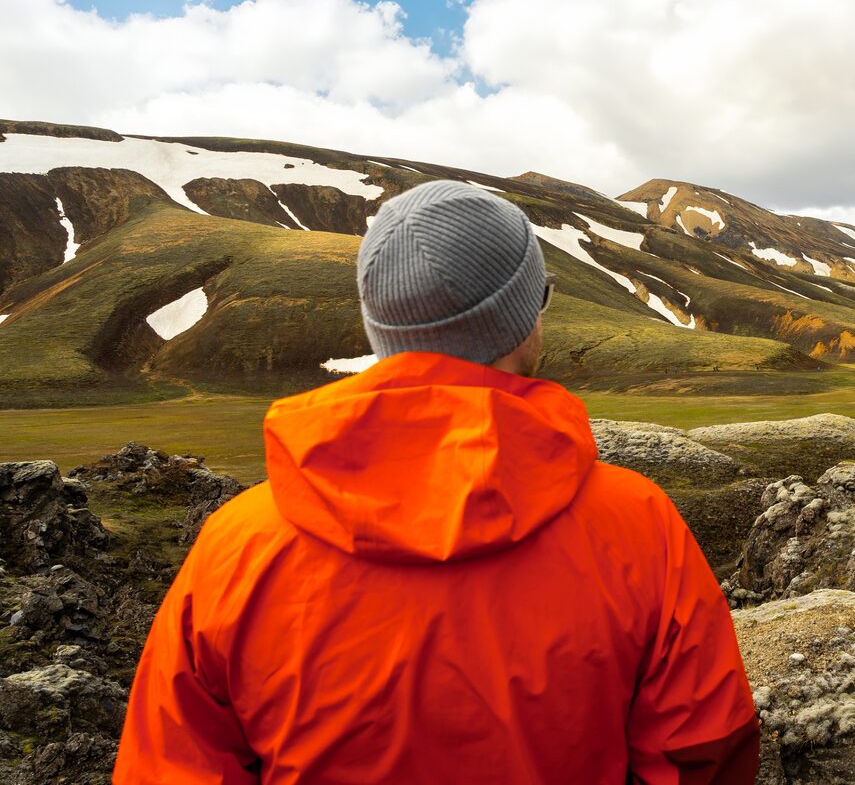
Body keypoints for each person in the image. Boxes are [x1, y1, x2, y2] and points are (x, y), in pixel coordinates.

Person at [113, 180, 760, 783]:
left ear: (377, 326)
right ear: (529, 312)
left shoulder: (235, 547)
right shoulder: (639, 525)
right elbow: (703, 751)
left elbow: (167, 767)